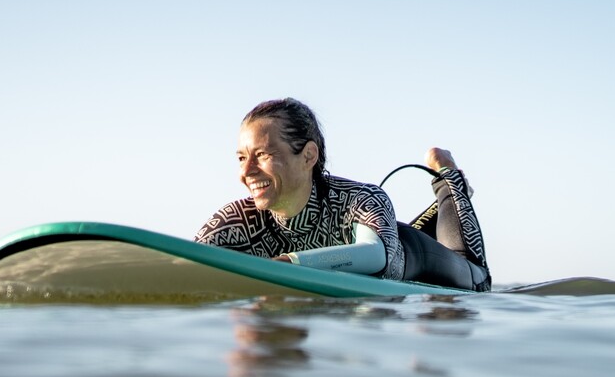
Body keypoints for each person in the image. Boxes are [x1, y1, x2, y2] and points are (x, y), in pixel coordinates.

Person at [194, 98, 490, 291]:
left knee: (477, 279)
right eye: (241, 158)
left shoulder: (361, 200)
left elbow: (376, 256)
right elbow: (185, 262)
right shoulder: (237, 220)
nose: (246, 171)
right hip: (378, 233)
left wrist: (286, 264)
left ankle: (449, 177)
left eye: (263, 154)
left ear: (308, 156)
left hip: (426, 260)